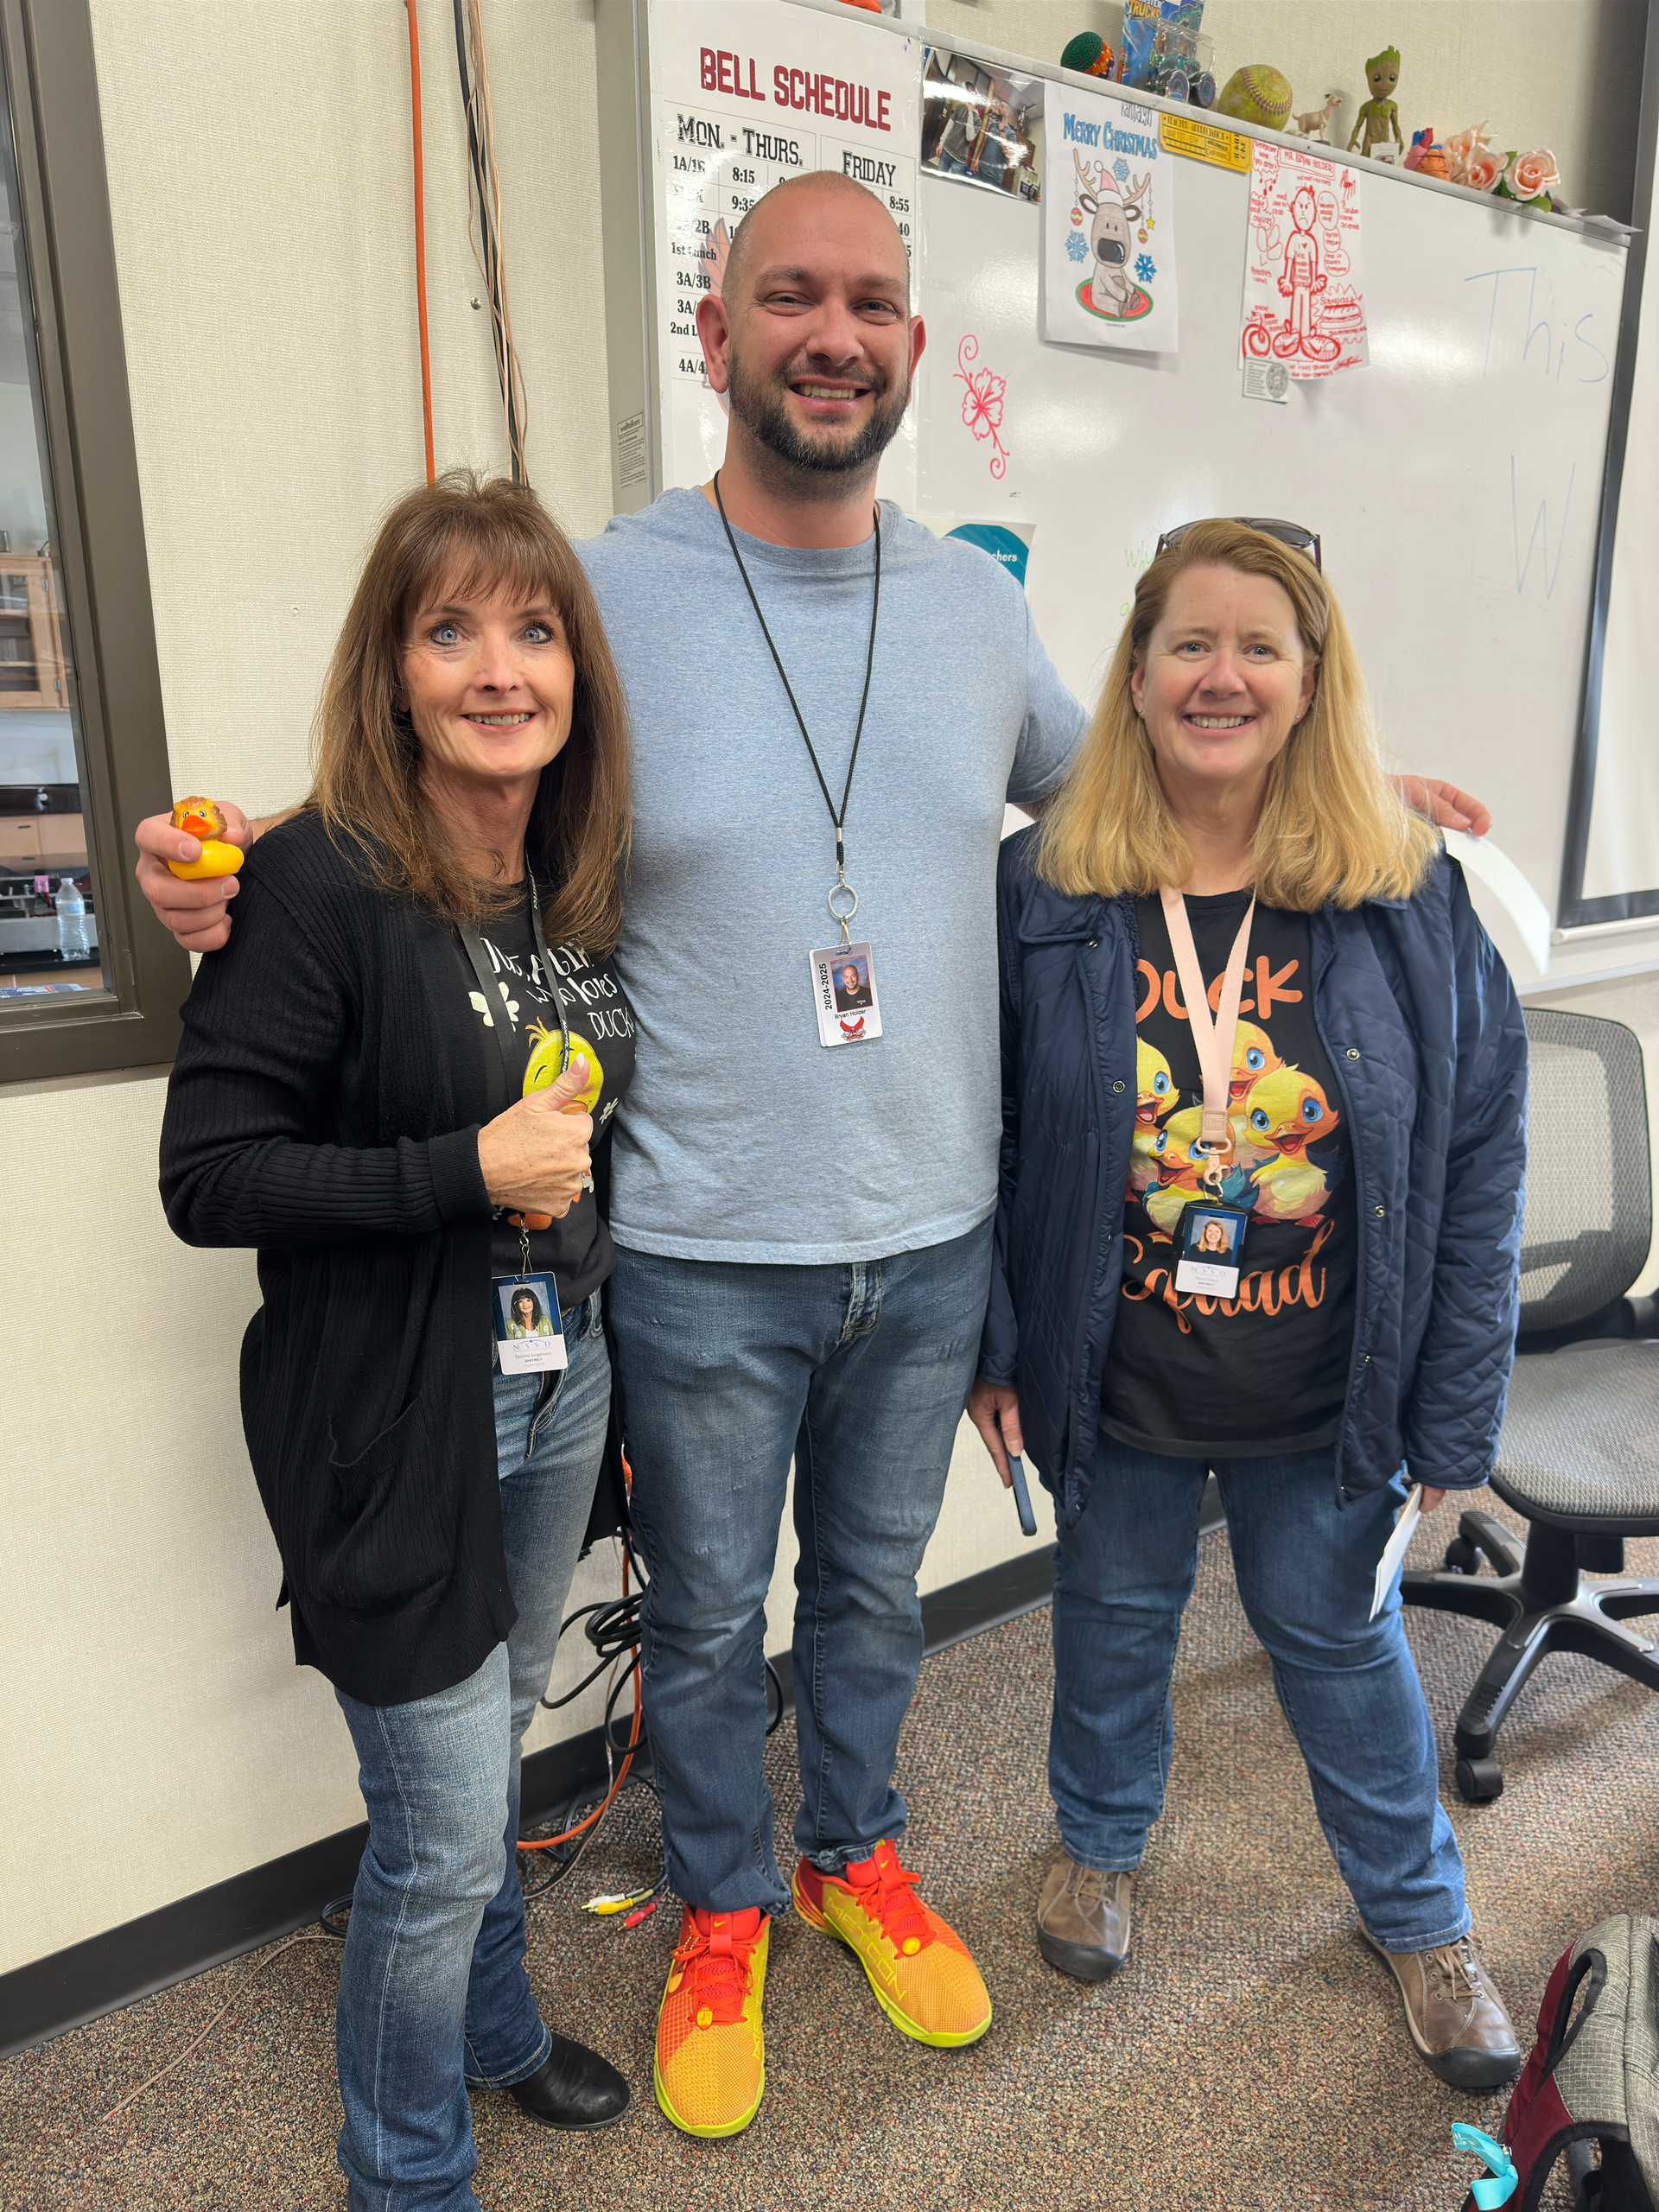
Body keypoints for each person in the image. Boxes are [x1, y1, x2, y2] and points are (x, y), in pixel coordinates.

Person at [135, 179, 1490, 2141]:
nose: (831, 332)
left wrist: (1370, 777)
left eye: (870, 302)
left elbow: (1144, 790)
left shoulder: (973, 608)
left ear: (912, 352)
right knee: (698, 1616)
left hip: (934, 1239)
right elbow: (456, 756)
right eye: (791, 296)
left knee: (864, 1597)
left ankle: (855, 1847)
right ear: (722, 330)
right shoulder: (605, 593)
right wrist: (235, 868)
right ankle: (720, 1898)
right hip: (692, 1243)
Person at [967, 518, 1528, 2090]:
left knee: (1340, 1650)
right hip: (1118, 1370)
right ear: (1135, 679)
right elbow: (997, 1138)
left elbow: (1482, 1150)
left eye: (1258, 647)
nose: (1221, 675)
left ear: (1308, 678)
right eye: (1188, 645)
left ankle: (1423, 1925)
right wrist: (1000, 1350)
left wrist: (1456, 1413)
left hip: (1327, 1389)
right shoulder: (1051, 889)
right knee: (1113, 1617)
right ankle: (1096, 1847)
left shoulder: (1408, 892)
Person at [158, 474, 638, 2210]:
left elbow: (589, 1145)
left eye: (533, 628)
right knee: (436, 1833)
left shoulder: (567, 879)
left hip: (554, 1375)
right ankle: (406, 2173)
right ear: (394, 662)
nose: (497, 666)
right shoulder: (312, 878)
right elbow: (206, 1175)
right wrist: (462, 1171)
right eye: (451, 629)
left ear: (578, 666)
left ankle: (497, 2030)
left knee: (493, 1737)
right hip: (388, 1406)